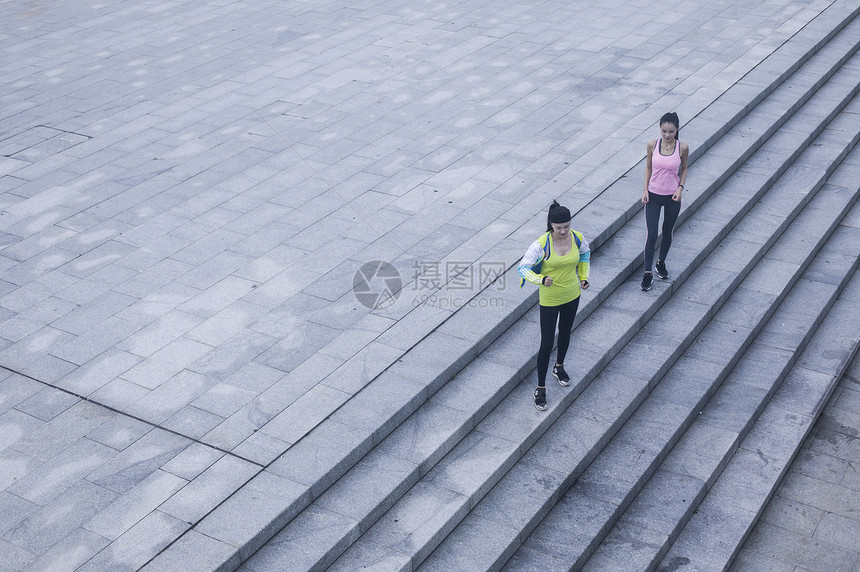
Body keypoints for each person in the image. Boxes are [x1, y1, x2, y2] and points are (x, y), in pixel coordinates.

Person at [518, 200, 590, 411]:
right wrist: (540, 279)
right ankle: (540, 388)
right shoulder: (541, 244)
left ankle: (559, 367)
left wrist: (583, 277)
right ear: (551, 225)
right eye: (559, 227)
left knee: (566, 332)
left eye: (566, 226)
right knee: (547, 342)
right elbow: (523, 268)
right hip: (550, 299)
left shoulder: (577, 237)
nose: (563, 231)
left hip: (572, 294)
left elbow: (585, 254)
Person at [641, 112, 689, 291]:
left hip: (672, 197)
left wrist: (680, 188)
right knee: (652, 234)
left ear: (676, 130)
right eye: (664, 131)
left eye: (671, 131)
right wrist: (645, 190)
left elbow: (684, 169)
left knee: (667, 231)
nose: (667, 135)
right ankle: (647, 272)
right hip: (653, 195)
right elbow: (648, 167)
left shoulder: (682, 147)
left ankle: (661, 262)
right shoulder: (652, 145)